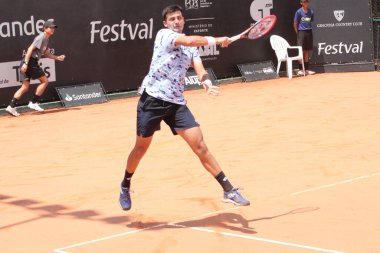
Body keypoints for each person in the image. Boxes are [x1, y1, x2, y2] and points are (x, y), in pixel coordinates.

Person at [119, 4, 250, 211]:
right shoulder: (164, 35)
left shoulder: (190, 47)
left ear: (183, 20)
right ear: (165, 23)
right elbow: (189, 40)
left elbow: (199, 67)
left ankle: (228, 189)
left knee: (200, 146)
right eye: (172, 19)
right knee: (141, 148)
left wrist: (205, 81)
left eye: (179, 18)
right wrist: (218, 40)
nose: (176, 21)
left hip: (176, 103)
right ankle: (125, 184)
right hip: (152, 100)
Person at [6, 19, 65, 117]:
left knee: (25, 87)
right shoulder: (41, 37)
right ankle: (33, 102)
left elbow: (46, 54)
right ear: (45, 28)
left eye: (54, 28)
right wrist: (25, 63)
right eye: (51, 28)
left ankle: (11, 106)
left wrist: (57, 57)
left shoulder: (46, 39)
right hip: (30, 62)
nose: (53, 29)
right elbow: (30, 49)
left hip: (28, 62)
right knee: (45, 81)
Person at [293, 0, 315, 75]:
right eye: (304, 1)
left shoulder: (311, 12)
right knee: (301, 51)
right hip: (301, 32)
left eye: (307, 1)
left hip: (309, 32)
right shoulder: (298, 12)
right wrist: (298, 33)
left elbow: (310, 21)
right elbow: (295, 23)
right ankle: (300, 70)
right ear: (301, 3)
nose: (306, 3)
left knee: (307, 51)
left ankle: (307, 69)